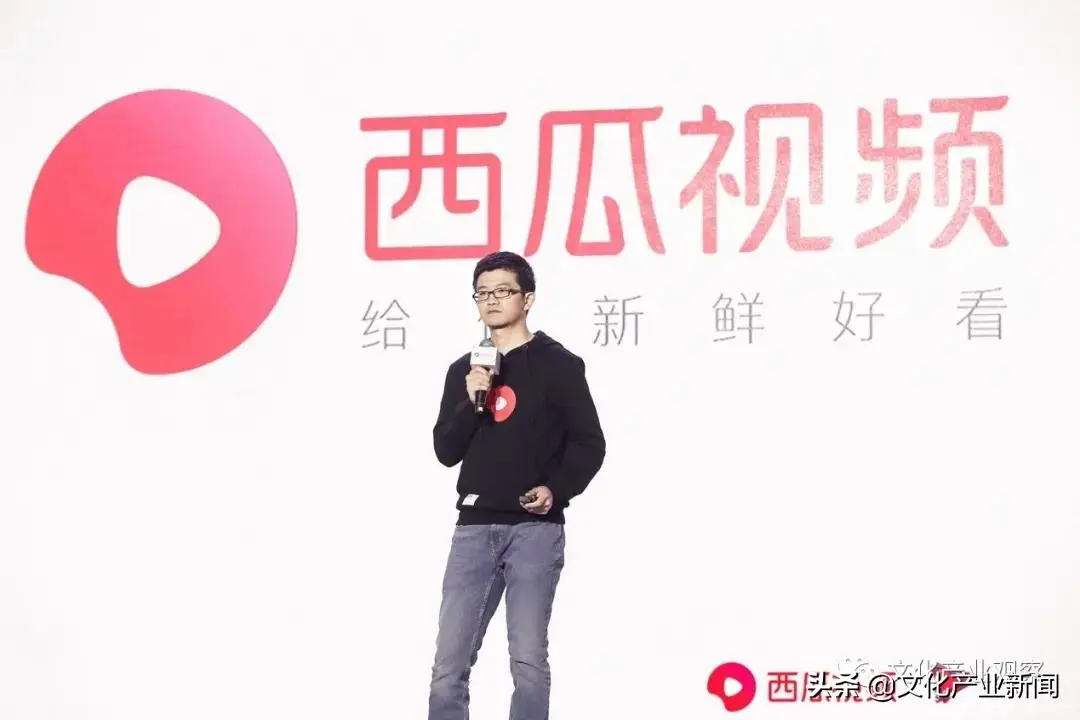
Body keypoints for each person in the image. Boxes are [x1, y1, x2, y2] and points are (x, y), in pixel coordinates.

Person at [428, 251, 606, 720]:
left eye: (503, 291)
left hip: (534, 530)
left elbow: (589, 443)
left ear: (527, 299)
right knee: (448, 668)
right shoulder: (465, 371)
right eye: (482, 293)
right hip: (473, 529)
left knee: (527, 662)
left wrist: (556, 489)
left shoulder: (559, 365)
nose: (491, 301)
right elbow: (446, 450)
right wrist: (471, 399)